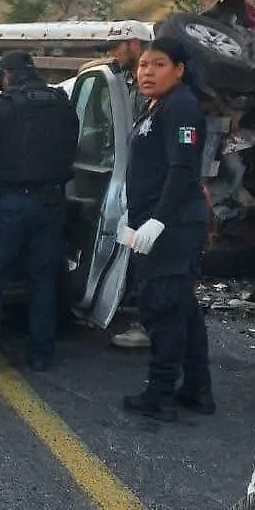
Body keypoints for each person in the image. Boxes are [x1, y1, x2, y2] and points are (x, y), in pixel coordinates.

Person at [0, 50, 80, 376]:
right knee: (42, 279)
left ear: (6, 76)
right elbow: (71, 153)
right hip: (51, 204)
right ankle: (41, 355)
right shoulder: (63, 105)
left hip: (10, 204)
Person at [118, 37, 215, 422]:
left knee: (162, 308)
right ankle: (196, 390)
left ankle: (158, 395)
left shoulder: (182, 108)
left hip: (172, 227)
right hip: (155, 222)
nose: (147, 72)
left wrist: (159, 219)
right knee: (183, 309)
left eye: (158, 65)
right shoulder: (158, 107)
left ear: (179, 70)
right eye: (143, 65)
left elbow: (182, 168)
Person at [96, 30, 155, 351]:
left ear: (134, 44)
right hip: (132, 181)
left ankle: (150, 325)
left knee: (153, 260)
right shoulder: (127, 84)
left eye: (116, 47)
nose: (113, 54)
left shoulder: (157, 91)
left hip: (153, 188)